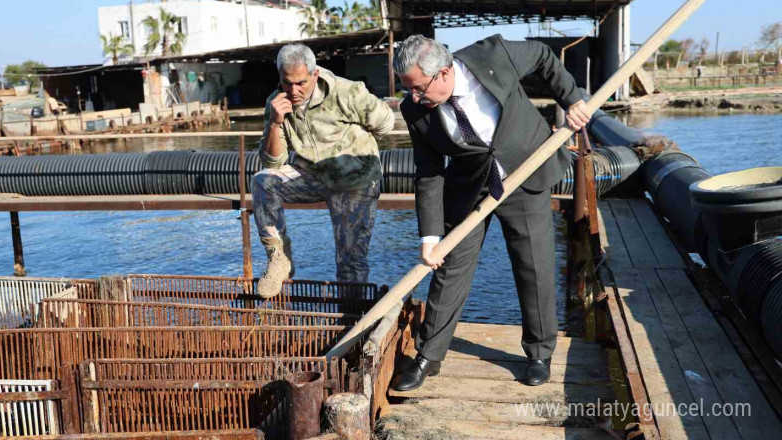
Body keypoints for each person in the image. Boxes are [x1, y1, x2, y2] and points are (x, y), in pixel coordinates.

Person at [390, 34, 592, 390]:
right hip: (470, 186)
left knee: (534, 264)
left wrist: (572, 99)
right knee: (450, 266)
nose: (415, 98)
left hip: (525, 169)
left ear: (444, 72)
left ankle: (539, 353)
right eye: (409, 90)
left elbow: (544, 57)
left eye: (419, 88)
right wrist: (430, 236)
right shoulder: (415, 109)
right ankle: (428, 356)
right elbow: (429, 170)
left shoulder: (493, 56)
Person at [252, 43, 395, 298]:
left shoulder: (347, 92)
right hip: (313, 177)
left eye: (301, 83)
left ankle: (350, 325)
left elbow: (386, 123)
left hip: (356, 182)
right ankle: (279, 258)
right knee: (263, 182)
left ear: (315, 74)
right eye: (287, 83)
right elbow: (273, 163)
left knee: (350, 261)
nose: (294, 91)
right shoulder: (276, 104)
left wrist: (356, 147)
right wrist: (275, 123)